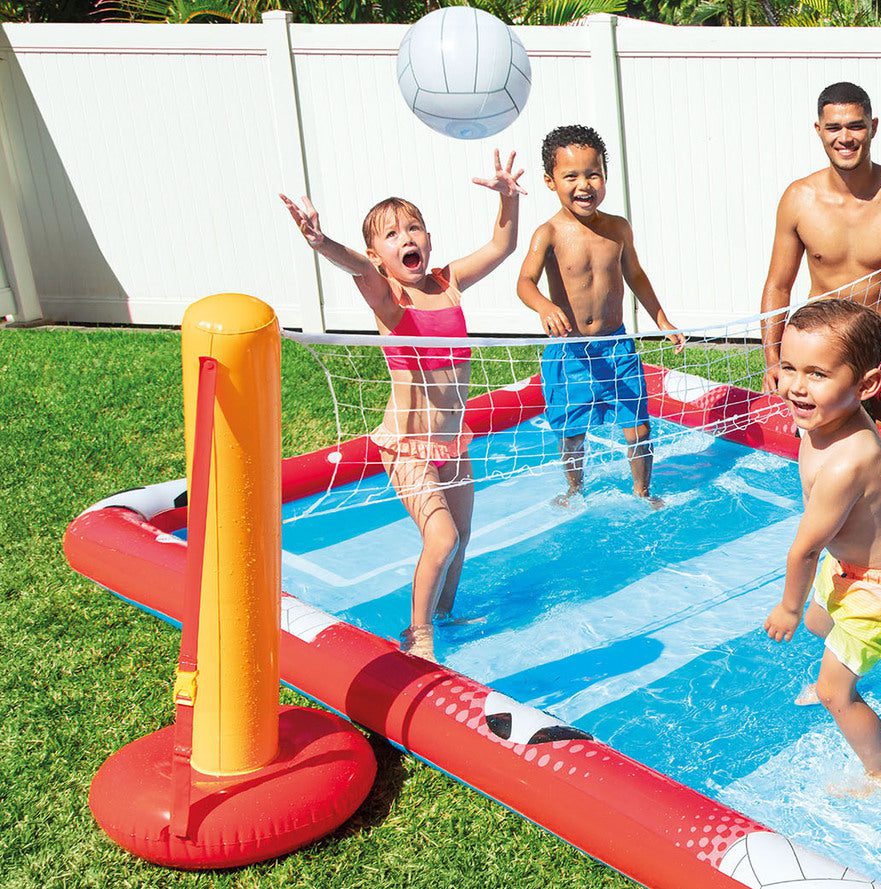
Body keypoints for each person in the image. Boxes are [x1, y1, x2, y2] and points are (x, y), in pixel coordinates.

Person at [280, 150, 526, 662]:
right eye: (391, 235)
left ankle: (446, 614)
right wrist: (322, 243)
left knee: (461, 537)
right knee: (441, 537)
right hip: (408, 446)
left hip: (452, 442)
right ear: (377, 256)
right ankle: (418, 635)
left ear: (428, 239)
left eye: (413, 228)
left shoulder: (448, 283)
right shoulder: (389, 299)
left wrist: (507, 199)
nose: (406, 238)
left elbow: (502, 245)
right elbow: (356, 267)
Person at [764, 299, 881, 797]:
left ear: (866, 386)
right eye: (789, 367)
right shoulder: (826, 417)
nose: (796, 386)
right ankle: (845, 661)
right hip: (850, 563)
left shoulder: (845, 462)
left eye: (816, 374)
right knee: (822, 622)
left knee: (834, 692)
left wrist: (788, 607)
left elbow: (803, 551)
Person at [760, 81, 881, 435]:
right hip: (821, 345)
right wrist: (774, 360)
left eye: (855, 126)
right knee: (810, 433)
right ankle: (872, 413)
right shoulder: (799, 198)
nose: (845, 138)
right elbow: (778, 285)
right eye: (834, 127)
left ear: (873, 127)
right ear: (819, 130)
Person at [517, 124, 685, 507]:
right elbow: (524, 282)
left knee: (638, 427)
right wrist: (544, 306)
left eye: (593, 174)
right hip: (570, 352)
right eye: (571, 176)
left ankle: (642, 491)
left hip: (617, 346)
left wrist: (662, 319)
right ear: (550, 181)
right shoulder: (549, 233)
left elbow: (635, 275)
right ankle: (574, 488)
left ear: (605, 176)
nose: (584, 185)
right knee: (571, 431)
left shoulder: (617, 228)